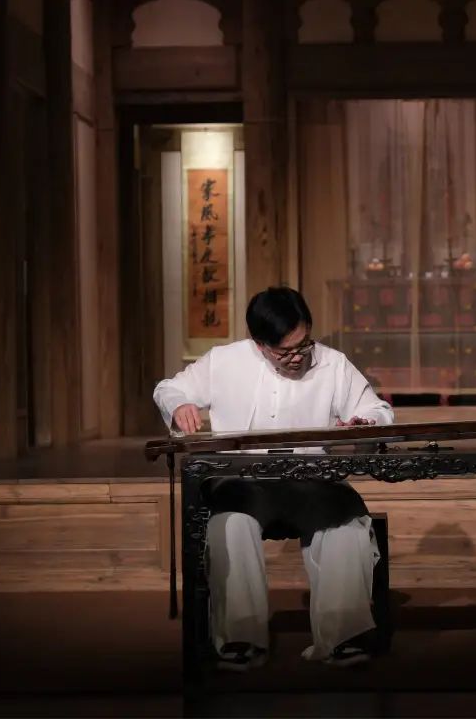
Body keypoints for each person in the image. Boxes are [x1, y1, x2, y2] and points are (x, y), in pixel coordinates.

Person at [153, 287, 394, 671]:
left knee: (346, 524)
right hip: (243, 482)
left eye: (304, 344)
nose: (298, 357)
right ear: (259, 344)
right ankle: (242, 637)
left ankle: (342, 637)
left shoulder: (332, 364)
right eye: (285, 351)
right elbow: (169, 388)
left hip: (313, 481)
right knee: (229, 524)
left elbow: (377, 409)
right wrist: (179, 404)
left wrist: (367, 421)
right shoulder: (224, 361)